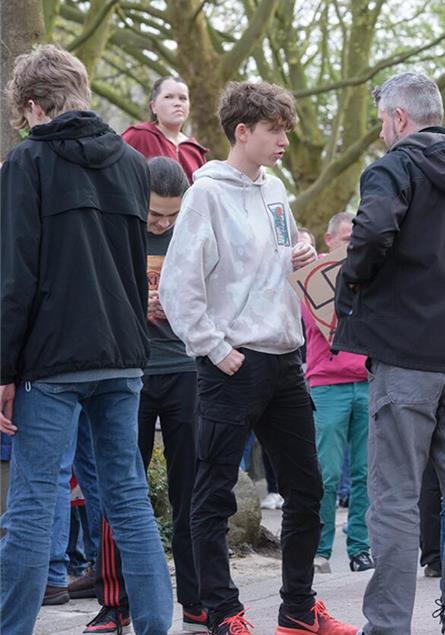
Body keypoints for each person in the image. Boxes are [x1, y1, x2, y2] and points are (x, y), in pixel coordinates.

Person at [159, 81, 355, 635]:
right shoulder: (205, 194)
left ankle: (298, 609)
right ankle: (223, 612)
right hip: (234, 363)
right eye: (274, 130)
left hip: (286, 359)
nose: (284, 140)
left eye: (286, 130)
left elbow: (279, 257)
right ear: (242, 132)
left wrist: (302, 248)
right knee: (214, 494)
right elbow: (177, 285)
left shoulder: (275, 190)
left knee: (308, 489)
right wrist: (215, 348)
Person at [0, 44, 173, 635]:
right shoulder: (132, 164)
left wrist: (3, 369)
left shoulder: (26, 162)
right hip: (122, 354)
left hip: (52, 360)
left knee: (30, 503)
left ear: (32, 105)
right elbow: (132, 263)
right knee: (128, 498)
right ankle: (155, 626)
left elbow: (15, 277)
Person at [332, 72, 445, 635]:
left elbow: (370, 235)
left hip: (407, 353)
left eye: (382, 121)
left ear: (400, 118)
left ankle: (388, 626)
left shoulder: (393, 168)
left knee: (395, 498)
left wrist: (353, 283)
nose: (381, 131)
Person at [83, 157, 207, 633]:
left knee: (190, 489)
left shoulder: (191, 233)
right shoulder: (118, 228)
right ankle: (116, 602)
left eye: (171, 215)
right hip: (130, 371)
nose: (162, 224)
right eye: (155, 214)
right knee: (119, 487)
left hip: (185, 369)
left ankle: (197, 599)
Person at [305, 212, 374, 575]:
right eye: (346, 237)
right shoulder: (313, 277)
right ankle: (320, 548)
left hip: (367, 382)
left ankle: (360, 547)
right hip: (328, 385)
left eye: (356, 238)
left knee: (365, 472)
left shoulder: (372, 273)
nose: (352, 244)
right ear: (329, 240)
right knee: (327, 472)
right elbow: (321, 323)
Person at [122, 76, 208, 182]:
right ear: (153, 106)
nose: (177, 103)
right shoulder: (138, 136)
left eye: (183, 98)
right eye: (168, 97)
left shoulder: (195, 151)